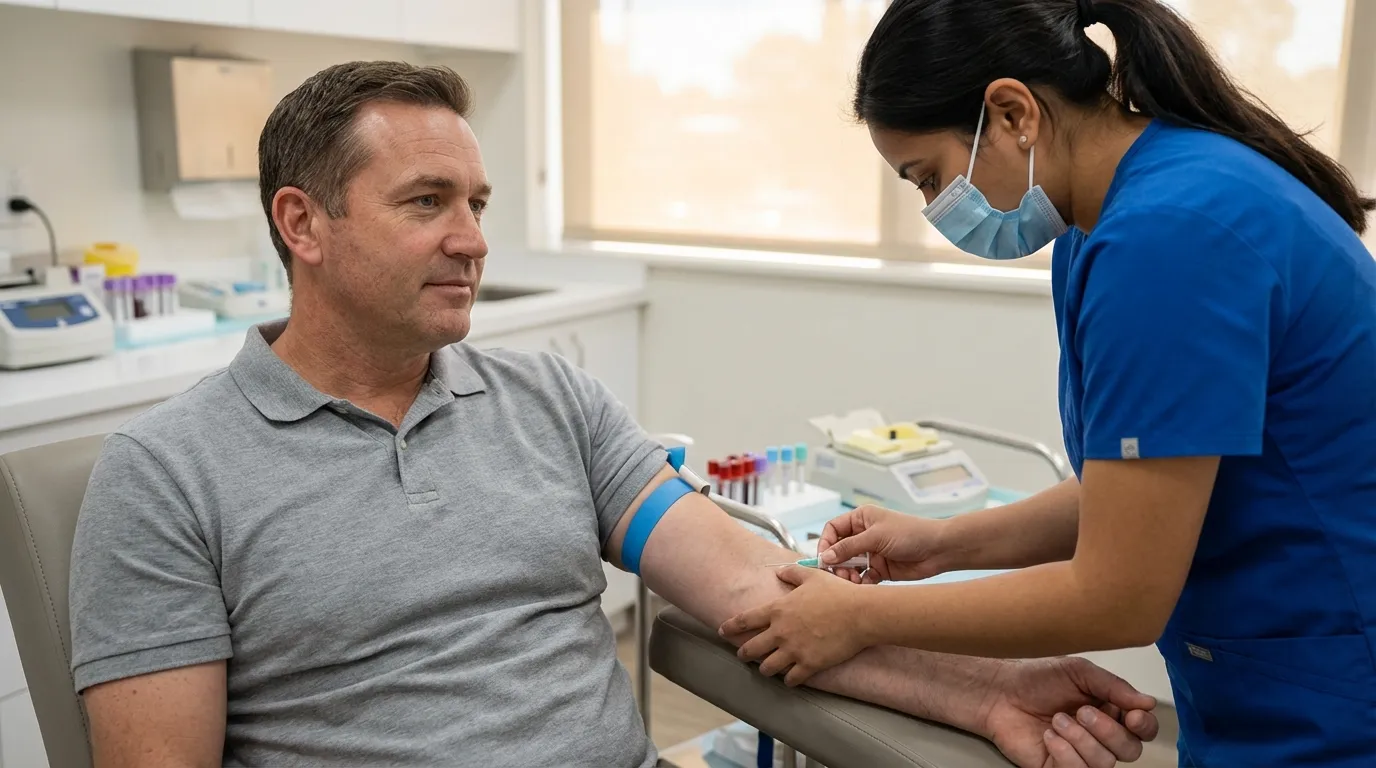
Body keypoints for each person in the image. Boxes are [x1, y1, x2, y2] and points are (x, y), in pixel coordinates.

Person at [67, 60, 1160, 768]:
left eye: (476, 203)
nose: (472, 239)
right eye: (425, 203)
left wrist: (988, 695)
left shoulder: (550, 402)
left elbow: (754, 595)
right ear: (302, 224)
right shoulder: (168, 475)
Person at [718, 0, 1376, 765]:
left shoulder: (1168, 239)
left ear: (1012, 113)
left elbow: (1118, 593)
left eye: (929, 177)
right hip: (1272, 673)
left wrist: (860, 618)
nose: (934, 209)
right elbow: (1142, 485)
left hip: (1336, 691)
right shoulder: (1106, 223)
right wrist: (942, 545)